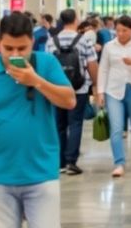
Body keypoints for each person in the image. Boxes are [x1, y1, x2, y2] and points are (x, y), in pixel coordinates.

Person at [0, 12, 75, 227]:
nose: (15, 54)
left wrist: (37, 81)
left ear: (32, 42)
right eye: (9, 48)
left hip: (41, 171)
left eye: (22, 49)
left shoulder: (47, 64)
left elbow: (69, 101)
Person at [95, 16, 131, 177]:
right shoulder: (109, 46)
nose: (120, 34)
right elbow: (103, 69)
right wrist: (100, 92)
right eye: (118, 30)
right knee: (116, 128)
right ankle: (119, 163)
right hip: (113, 91)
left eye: (125, 30)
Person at [46, 9, 99, 176]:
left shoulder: (51, 41)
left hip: (57, 89)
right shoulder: (83, 40)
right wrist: (95, 85)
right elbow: (92, 64)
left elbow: (47, 66)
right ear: (76, 20)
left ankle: (60, 162)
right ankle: (71, 162)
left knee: (59, 125)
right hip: (79, 88)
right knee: (75, 123)